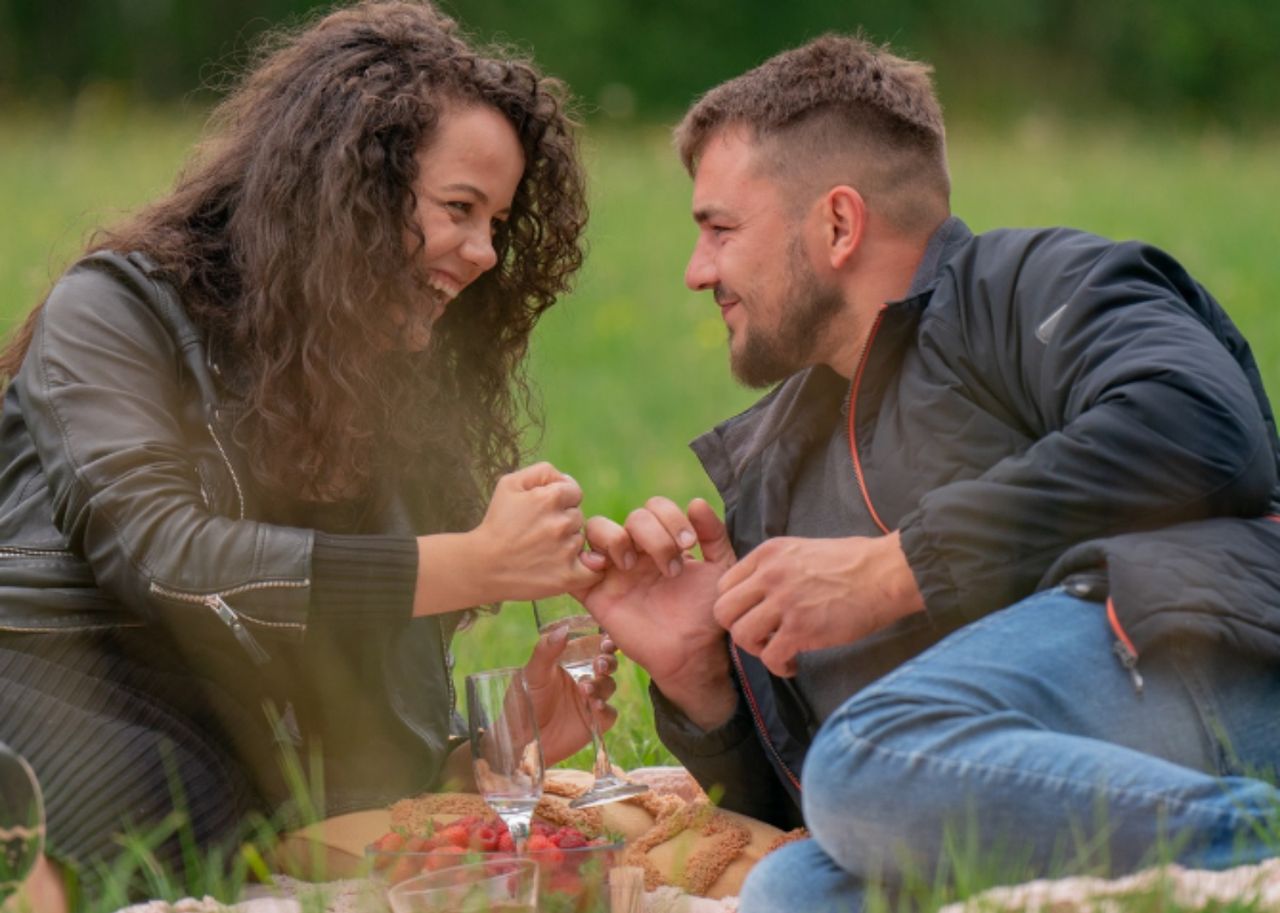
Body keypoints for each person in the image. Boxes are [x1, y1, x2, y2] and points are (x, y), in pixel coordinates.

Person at [581, 33, 1280, 913]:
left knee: (870, 756)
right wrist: (707, 681)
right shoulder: (775, 471)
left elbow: (1203, 426)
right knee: (794, 888)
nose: (697, 271)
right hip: (1038, 788)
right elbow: (835, 809)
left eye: (720, 229)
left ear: (838, 223)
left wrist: (896, 566)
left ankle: (1253, 849)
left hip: (1212, 672)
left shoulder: (1027, 284)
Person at [0, 1, 617, 906]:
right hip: (42, 671)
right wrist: (470, 562)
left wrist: (505, 739)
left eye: (498, 221)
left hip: (210, 762)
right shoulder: (115, 313)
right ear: (349, 190)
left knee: (236, 815)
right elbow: (162, 557)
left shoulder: (383, 402)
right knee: (168, 796)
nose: (485, 252)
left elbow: (363, 767)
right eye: (459, 208)